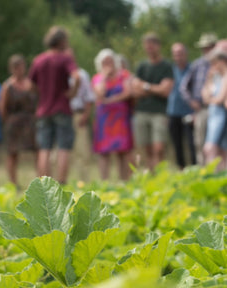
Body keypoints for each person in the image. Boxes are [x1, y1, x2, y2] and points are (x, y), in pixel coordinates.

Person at [29, 26, 80, 184]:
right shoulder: (65, 58)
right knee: (63, 148)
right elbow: (77, 77)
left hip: (44, 109)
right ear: (62, 41)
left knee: (44, 148)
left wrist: (42, 93)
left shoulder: (39, 60)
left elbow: (31, 84)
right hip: (62, 108)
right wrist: (72, 92)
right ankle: (62, 182)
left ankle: (44, 184)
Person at [132, 32, 174, 170]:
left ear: (158, 46)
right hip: (142, 111)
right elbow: (135, 90)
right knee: (146, 149)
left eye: (152, 46)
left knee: (159, 148)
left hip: (159, 112)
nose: (149, 48)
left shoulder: (166, 66)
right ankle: (151, 177)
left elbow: (165, 91)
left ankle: (160, 176)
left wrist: (145, 86)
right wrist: (155, 88)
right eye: (147, 46)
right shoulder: (142, 66)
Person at [92, 49, 133, 180]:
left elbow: (128, 93)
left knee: (123, 151)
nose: (108, 64)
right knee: (104, 152)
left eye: (110, 60)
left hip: (120, 118)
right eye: (105, 62)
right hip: (104, 120)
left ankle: (125, 180)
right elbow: (99, 94)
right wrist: (105, 76)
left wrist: (110, 100)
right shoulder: (97, 78)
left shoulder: (124, 75)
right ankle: (105, 182)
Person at [0, 54, 37, 185]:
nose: (19, 70)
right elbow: (2, 108)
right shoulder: (7, 86)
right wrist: (7, 122)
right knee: (12, 153)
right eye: (16, 67)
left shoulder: (31, 84)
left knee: (37, 151)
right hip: (14, 122)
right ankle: (13, 183)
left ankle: (40, 181)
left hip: (30, 122)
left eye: (21, 67)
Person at [180, 33, 218, 165]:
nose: (207, 50)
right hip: (201, 109)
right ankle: (203, 171)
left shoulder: (222, 63)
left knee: (218, 143)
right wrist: (191, 102)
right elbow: (183, 87)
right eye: (204, 48)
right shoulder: (197, 65)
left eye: (210, 47)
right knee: (200, 142)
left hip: (220, 109)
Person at [167, 43, 196, 169]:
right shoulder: (170, 70)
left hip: (189, 111)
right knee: (177, 144)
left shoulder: (193, 69)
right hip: (173, 112)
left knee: (192, 144)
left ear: (186, 53)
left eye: (180, 53)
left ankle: (195, 169)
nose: (178, 56)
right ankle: (181, 169)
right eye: (176, 54)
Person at [202, 48, 227, 170]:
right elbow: (205, 94)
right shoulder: (217, 77)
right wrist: (209, 78)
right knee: (221, 151)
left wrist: (211, 99)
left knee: (210, 147)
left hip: (220, 116)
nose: (213, 66)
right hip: (213, 115)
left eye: (214, 62)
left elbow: (220, 99)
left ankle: (211, 174)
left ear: (222, 61)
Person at [69, 66, 95, 182]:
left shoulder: (82, 74)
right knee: (59, 153)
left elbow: (88, 96)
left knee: (82, 150)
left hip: (78, 114)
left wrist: (86, 115)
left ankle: (84, 182)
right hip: (61, 114)